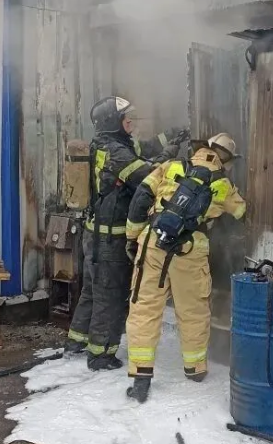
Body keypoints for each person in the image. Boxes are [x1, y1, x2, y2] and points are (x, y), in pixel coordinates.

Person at [123, 133, 247, 403]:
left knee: (144, 307)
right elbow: (242, 213)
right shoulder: (223, 183)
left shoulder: (171, 166)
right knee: (193, 310)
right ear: (227, 159)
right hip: (191, 248)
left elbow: (141, 196)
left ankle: (141, 377)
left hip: (153, 242)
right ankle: (195, 369)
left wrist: (132, 236)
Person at [64, 96, 184, 371]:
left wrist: (170, 136)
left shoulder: (108, 144)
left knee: (92, 292)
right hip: (110, 239)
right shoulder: (117, 153)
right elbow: (148, 176)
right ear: (113, 122)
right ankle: (101, 355)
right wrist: (170, 155)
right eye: (126, 119)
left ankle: (76, 342)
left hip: (95, 235)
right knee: (111, 296)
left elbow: (145, 148)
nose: (130, 122)